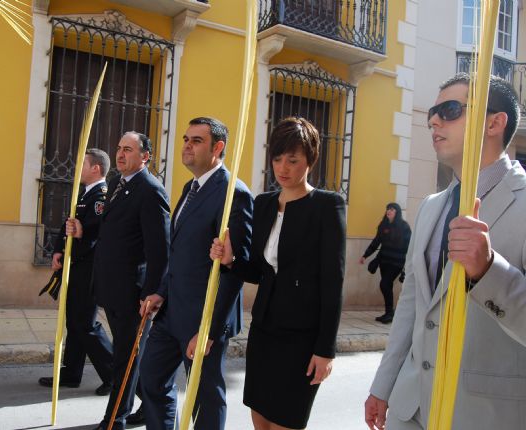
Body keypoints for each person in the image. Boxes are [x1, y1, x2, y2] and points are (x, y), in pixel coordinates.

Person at [365, 73, 526, 430]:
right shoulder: (431, 207)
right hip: (411, 409)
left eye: (450, 109)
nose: (434, 120)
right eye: (432, 113)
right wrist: (383, 385)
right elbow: (411, 303)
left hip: (484, 415)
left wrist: (488, 272)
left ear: (495, 122)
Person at [211, 117, 346, 430]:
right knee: (260, 419)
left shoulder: (327, 206)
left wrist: (325, 350)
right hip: (265, 332)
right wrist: (231, 261)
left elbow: (333, 281)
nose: (283, 168)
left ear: (310, 160)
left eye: (293, 160)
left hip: (302, 339)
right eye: (277, 159)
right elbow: (260, 271)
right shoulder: (264, 204)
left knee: (286, 422)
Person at [139, 117, 253, 430]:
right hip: (171, 312)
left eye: (197, 140)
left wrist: (210, 331)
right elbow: (178, 253)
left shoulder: (233, 193)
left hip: (203, 318)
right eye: (186, 139)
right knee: (150, 379)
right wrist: (161, 291)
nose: (187, 145)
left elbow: (235, 269)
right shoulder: (191, 188)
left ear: (218, 147)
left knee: (206, 396)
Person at [67, 132, 170, 430]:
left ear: (145, 156)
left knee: (126, 358)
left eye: (128, 149)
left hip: (133, 292)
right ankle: (147, 407)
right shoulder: (116, 184)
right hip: (110, 286)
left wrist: (152, 292)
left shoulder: (151, 191)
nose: (121, 154)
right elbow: (108, 231)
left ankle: (115, 419)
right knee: (129, 356)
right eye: (119, 149)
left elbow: (159, 250)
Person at [38, 148, 113, 395]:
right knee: (74, 321)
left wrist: (83, 232)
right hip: (76, 264)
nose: (76, 169)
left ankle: (114, 375)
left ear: (96, 169)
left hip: (89, 268)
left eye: (83, 164)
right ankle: (71, 373)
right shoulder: (84, 193)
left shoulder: (102, 195)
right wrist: (59, 249)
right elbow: (69, 223)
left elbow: (100, 228)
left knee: (86, 324)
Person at [359, 202, 412, 324]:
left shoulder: (404, 227)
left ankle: (390, 313)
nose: (389, 211)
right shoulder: (383, 225)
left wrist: (408, 263)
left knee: (384, 284)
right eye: (388, 209)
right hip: (384, 261)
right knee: (387, 285)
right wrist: (365, 255)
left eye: (392, 209)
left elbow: (410, 245)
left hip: (397, 262)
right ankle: (388, 313)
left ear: (397, 212)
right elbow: (376, 242)